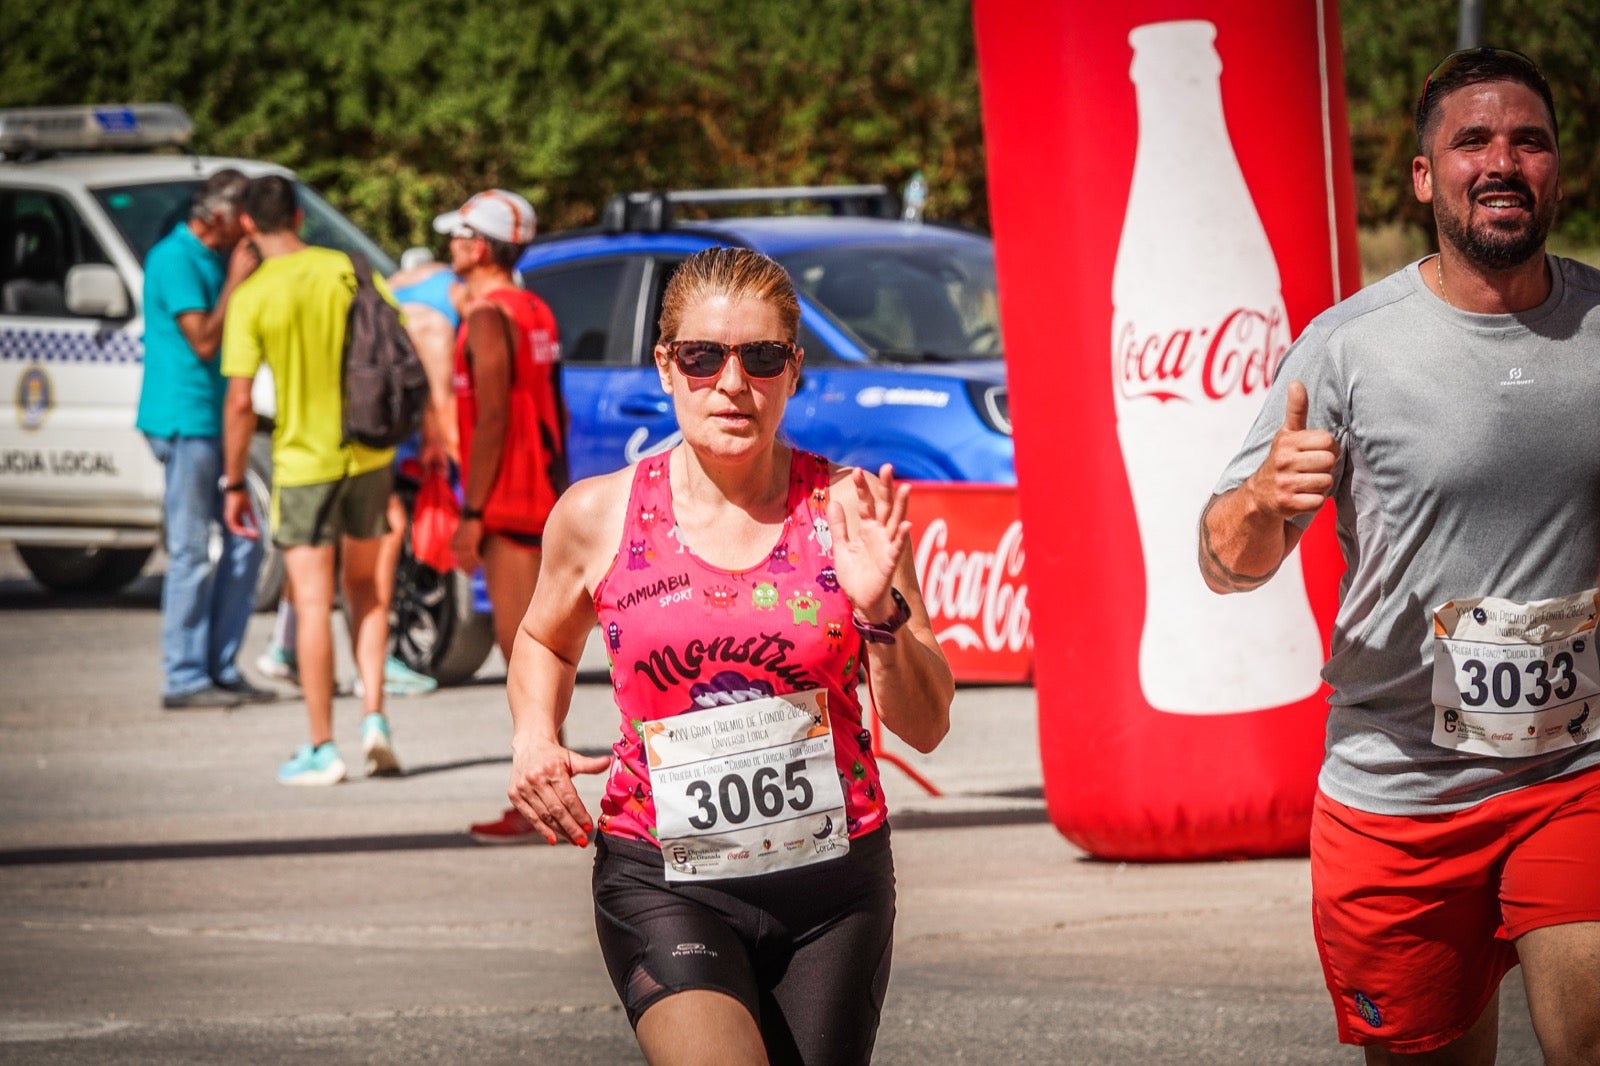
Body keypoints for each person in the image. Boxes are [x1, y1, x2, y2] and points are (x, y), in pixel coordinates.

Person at [1200, 47, 1600, 1065]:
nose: (1502, 160)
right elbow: (1225, 563)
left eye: (1529, 140)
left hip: (1575, 773)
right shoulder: (1347, 347)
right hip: (1402, 790)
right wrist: (1260, 498)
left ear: (1558, 169)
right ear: (1426, 177)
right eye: (1472, 141)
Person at [502, 246, 953, 1063]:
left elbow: (926, 727)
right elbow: (541, 638)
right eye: (705, 358)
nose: (734, 384)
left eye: (762, 357)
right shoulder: (597, 515)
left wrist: (878, 609)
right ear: (667, 367)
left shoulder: (851, 510)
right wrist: (534, 734)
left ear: (794, 370)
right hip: (662, 879)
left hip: (834, 889)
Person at [219, 174, 403, 786]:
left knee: (313, 602)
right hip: (369, 457)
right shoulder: (344, 267)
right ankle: (374, 715)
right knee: (367, 591)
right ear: (299, 215)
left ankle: (323, 747)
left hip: (302, 464)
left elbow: (241, 400)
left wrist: (233, 481)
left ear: (247, 224)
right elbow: (396, 348)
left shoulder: (254, 294)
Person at [423, 190, 569, 845]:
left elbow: (490, 421)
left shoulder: (486, 317)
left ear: (480, 247)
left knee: (525, 670)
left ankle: (542, 806)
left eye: (458, 236)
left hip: (507, 506)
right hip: (539, 497)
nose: (451, 245)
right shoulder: (534, 306)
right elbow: (550, 410)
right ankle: (550, 797)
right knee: (542, 661)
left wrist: (471, 512)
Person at [253, 258, 455, 701]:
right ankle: (371, 681)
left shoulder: (376, 289)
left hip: (317, 448)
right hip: (360, 447)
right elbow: (438, 396)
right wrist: (442, 448)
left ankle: (287, 651)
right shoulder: (434, 321)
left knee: (313, 565)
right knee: (365, 565)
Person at [135, 168, 272, 710]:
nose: (247, 229)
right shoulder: (174, 260)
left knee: (246, 541)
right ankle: (185, 675)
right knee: (192, 550)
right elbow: (204, 342)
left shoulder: (214, 258)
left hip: (214, 423)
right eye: (241, 218)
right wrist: (237, 281)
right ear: (218, 216)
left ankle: (218, 665)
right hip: (185, 422)